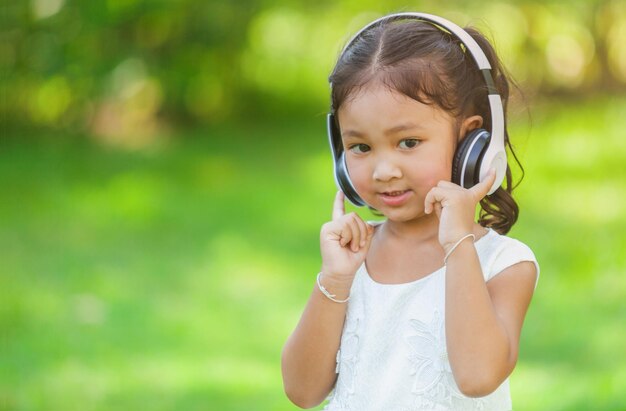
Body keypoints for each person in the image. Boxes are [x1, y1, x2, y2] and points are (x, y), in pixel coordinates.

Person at [281, 12, 539, 411]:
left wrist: (458, 244)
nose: (384, 171)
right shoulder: (354, 256)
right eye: (361, 148)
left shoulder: (505, 264)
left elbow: (478, 376)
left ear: (472, 143)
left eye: (408, 142)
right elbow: (302, 391)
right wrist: (334, 279)